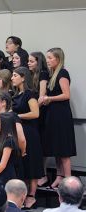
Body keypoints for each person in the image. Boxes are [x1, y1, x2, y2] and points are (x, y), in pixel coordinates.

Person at [41, 48, 76, 190]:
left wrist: (49, 98)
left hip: (61, 115)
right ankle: (59, 177)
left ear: (58, 59)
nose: (48, 60)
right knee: (56, 149)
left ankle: (68, 180)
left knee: (64, 150)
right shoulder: (51, 74)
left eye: (50, 58)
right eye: (47, 58)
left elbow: (66, 95)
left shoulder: (63, 73)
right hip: (53, 114)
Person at [11, 67, 44, 208]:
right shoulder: (16, 95)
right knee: (22, 165)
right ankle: (22, 195)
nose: (12, 78)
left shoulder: (30, 94)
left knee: (32, 164)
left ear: (23, 77)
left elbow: (35, 113)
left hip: (29, 132)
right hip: (18, 132)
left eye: (15, 75)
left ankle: (32, 195)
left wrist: (17, 116)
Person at [0, 91, 26, 176]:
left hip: (7, 158)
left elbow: (21, 139)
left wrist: (23, 152)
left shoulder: (12, 116)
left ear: (4, 103)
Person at [27, 52, 49, 187]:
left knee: (41, 146)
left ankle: (43, 174)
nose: (28, 63)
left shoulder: (43, 74)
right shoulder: (31, 75)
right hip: (35, 111)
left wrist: (31, 110)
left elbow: (41, 96)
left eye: (31, 61)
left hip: (41, 113)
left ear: (38, 62)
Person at [0, 112, 20, 184]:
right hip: (1, 174)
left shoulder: (9, 141)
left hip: (7, 176)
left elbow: (3, 165)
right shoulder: (3, 138)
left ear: (6, 124)